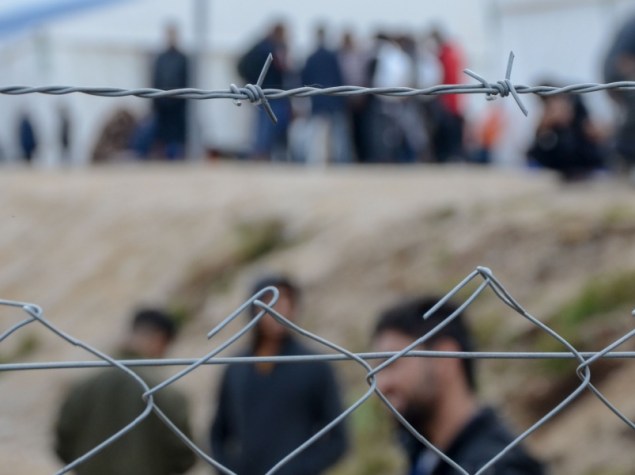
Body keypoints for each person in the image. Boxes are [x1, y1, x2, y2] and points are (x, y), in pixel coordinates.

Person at [372, 296, 546, 475]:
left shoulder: (497, 467)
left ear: (444, 358)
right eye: (376, 370)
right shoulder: (426, 458)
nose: (382, 384)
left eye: (390, 363)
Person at [209, 274, 348, 475]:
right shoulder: (236, 368)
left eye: (286, 302)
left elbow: (338, 440)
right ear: (253, 307)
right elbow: (218, 435)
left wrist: (299, 470)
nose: (279, 310)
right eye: (270, 302)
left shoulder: (314, 365)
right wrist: (230, 470)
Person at [54, 308, 196, 475]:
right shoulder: (167, 393)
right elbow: (183, 454)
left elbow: (63, 444)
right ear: (160, 340)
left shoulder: (82, 387)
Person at [237, 22, 293, 161]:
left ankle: (267, 153)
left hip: (272, 93)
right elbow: (244, 66)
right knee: (267, 126)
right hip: (269, 93)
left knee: (269, 125)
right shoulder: (267, 48)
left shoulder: (264, 46)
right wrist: (252, 85)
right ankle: (262, 154)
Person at [527, 87, 606, 181]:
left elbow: (594, 156)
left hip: (585, 172)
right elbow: (539, 155)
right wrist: (545, 127)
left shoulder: (583, 124)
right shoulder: (549, 127)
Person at [300, 25, 351, 165]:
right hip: (334, 99)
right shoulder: (332, 56)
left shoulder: (311, 57)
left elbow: (304, 80)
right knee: (338, 135)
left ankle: (314, 162)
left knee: (317, 134)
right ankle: (342, 162)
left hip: (318, 100)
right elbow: (340, 78)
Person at [152, 23, 190, 160]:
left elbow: (187, 81)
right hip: (162, 104)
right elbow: (155, 79)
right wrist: (155, 101)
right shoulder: (160, 58)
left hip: (179, 104)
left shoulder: (183, 58)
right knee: (162, 135)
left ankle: (176, 158)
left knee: (177, 136)